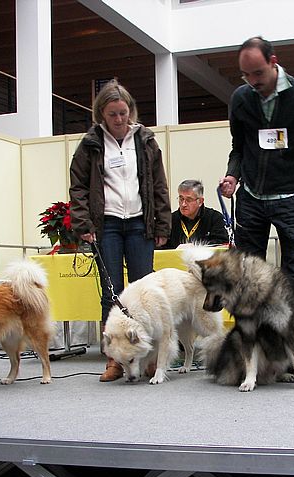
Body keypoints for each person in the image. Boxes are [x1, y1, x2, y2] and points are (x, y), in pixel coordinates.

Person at [218, 36, 294, 362]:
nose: (252, 81)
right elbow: (238, 149)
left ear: (273, 62)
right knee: (245, 281)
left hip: (291, 198)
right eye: (245, 75)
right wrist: (232, 175)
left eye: (257, 73)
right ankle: (250, 361)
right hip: (251, 199)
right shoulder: (241, 99)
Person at [70, 79, 171, 382]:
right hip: (107, 225)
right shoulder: (90, 144)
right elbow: (78, 188)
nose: (118, 119)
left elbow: (159, 185)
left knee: (146, 295)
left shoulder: (146, 141)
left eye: (123, 113)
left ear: (131, 111)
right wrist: (83, 224)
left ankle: (150, 358)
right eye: (112, 114)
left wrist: (162, 223)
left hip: (140, 223)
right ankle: (114, 360)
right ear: (101, 113)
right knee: (110, 294)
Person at [160, 179, 228, 249]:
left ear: (200, 201)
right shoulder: (170, 220)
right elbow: (161, 246)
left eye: (188, 200)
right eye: (181, 199)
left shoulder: (214, 218)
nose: (183, 204)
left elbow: (222, 243)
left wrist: (196, 246)